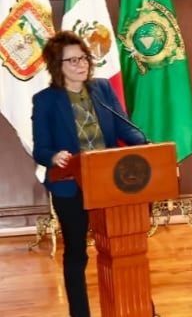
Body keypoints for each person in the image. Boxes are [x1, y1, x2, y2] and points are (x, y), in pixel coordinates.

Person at [31, 31, 147, 317]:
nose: (81, 64)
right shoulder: (45, 100)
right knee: (76, 253)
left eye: (83, 58)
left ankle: (137, 308)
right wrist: (53, 156)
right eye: (72, 60)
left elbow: (124, 128)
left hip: (111, 181)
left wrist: (145, 144)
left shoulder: (102, 89)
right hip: (70, 185)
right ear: (57, 66)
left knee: (125, 246)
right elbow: (41, 149)